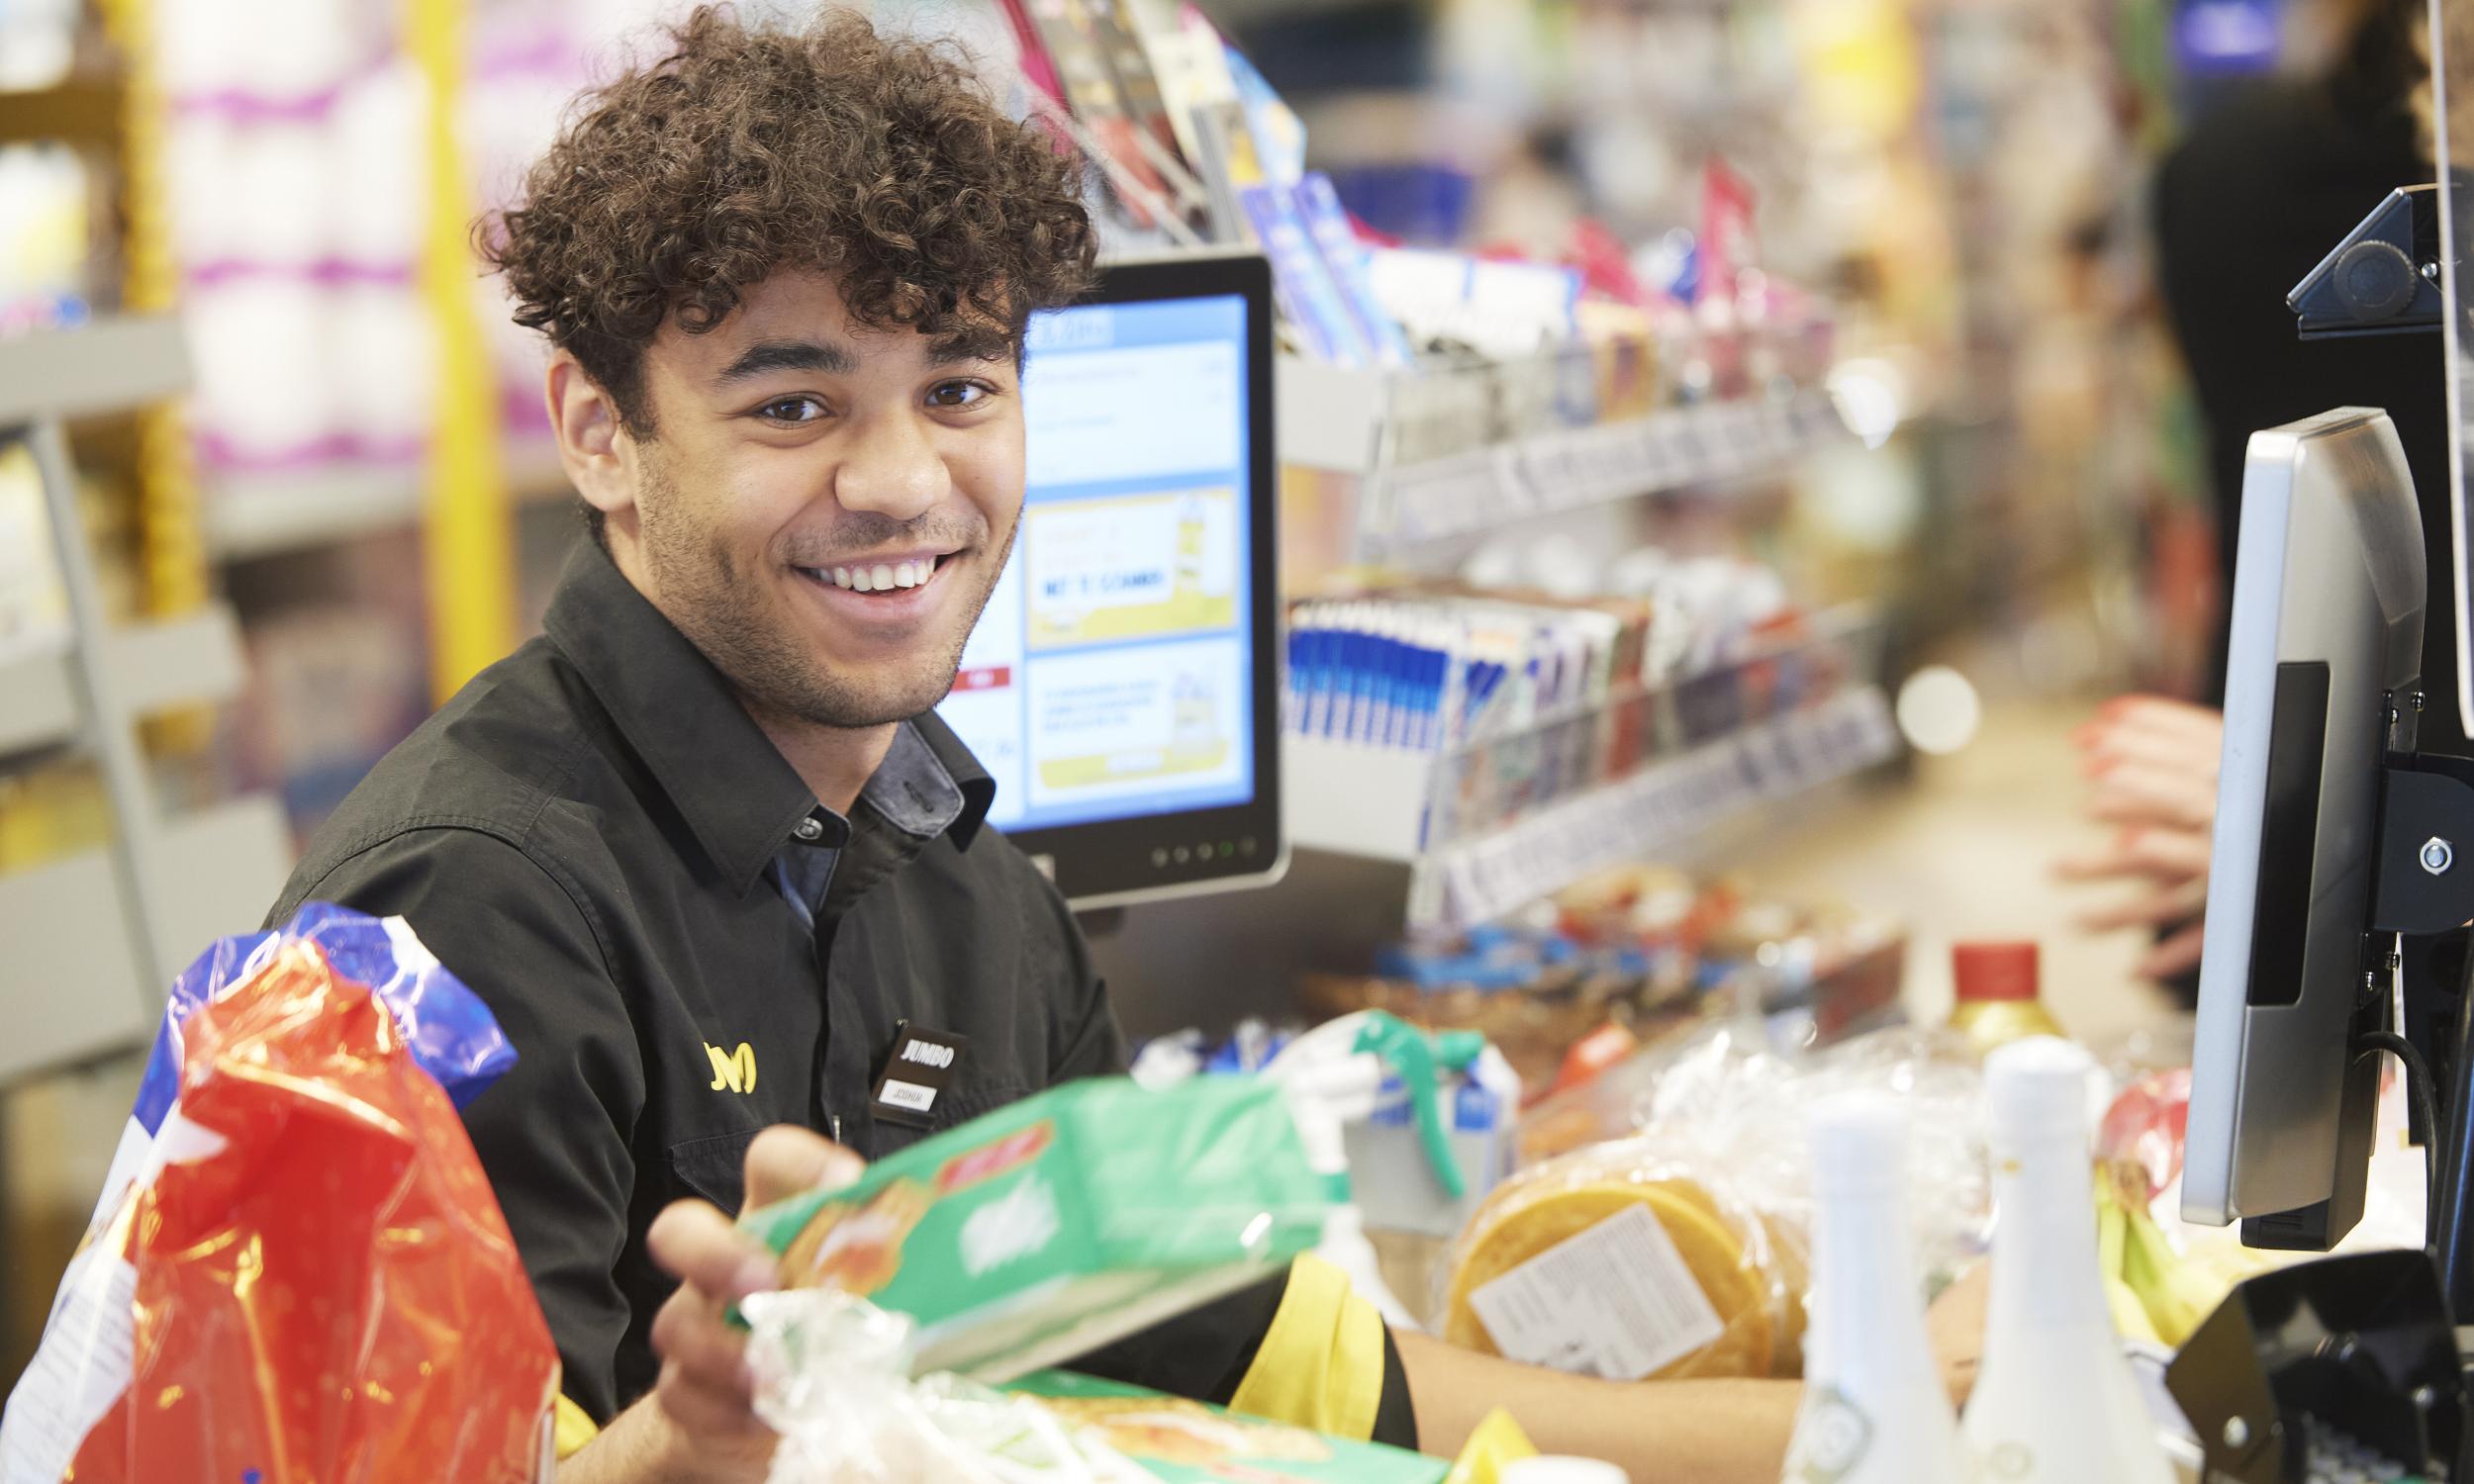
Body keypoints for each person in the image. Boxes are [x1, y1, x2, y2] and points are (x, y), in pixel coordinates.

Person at [264, 9, 1976, 1482]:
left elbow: (1296, 1369)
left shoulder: (969, 888)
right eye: (792, 404)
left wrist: (1892, 1419)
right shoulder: (458, 921)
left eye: (958, 387)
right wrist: (679, 1449)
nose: (901, 482)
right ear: (599, 431)